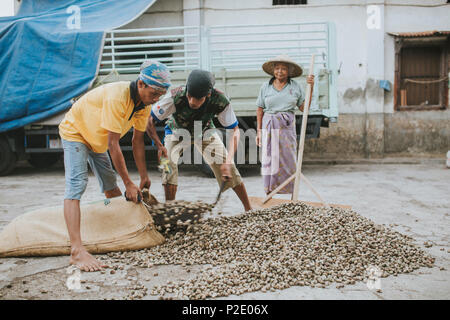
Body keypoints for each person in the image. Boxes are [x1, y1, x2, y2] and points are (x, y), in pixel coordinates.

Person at [58, 60, 170, 272]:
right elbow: (113, 144)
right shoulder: (118, 97)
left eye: (160, 96)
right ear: (141, 85)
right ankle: (76, 251)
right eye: (154, 93)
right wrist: (128, 183)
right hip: (77, 132)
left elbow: (137, 141)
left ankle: (121, 231)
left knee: (111, 185)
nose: (156, 99)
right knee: (77, 184)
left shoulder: (143, 105)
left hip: (96, 137)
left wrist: (142, 177)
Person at [146, 69, 252, 211]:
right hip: (176, 131)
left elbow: (235, 130)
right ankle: (170, 211)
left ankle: (248, 209)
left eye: (198, 99)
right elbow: (149, 120)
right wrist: (160, 146)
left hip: (204, 130)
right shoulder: (175, 95)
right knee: (168, 166)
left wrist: (228, 161)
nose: (191, 102)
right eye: (189, 96)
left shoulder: (220, 100)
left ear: (208, 95)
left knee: (229, 167)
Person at [256, 55, 314, 195]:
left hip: (287, 127)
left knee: (289, 159)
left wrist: (311, 87)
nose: (280, 72)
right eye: (277, 68)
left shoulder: (295, 87)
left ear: (289, 71)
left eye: (283, 69)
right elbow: (260, 109)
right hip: (269, 125)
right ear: (273, 71)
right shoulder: (266, 87)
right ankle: (270, 192)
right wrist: (259, 131)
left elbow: (303, 107)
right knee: (269, 159)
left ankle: (289, 192)